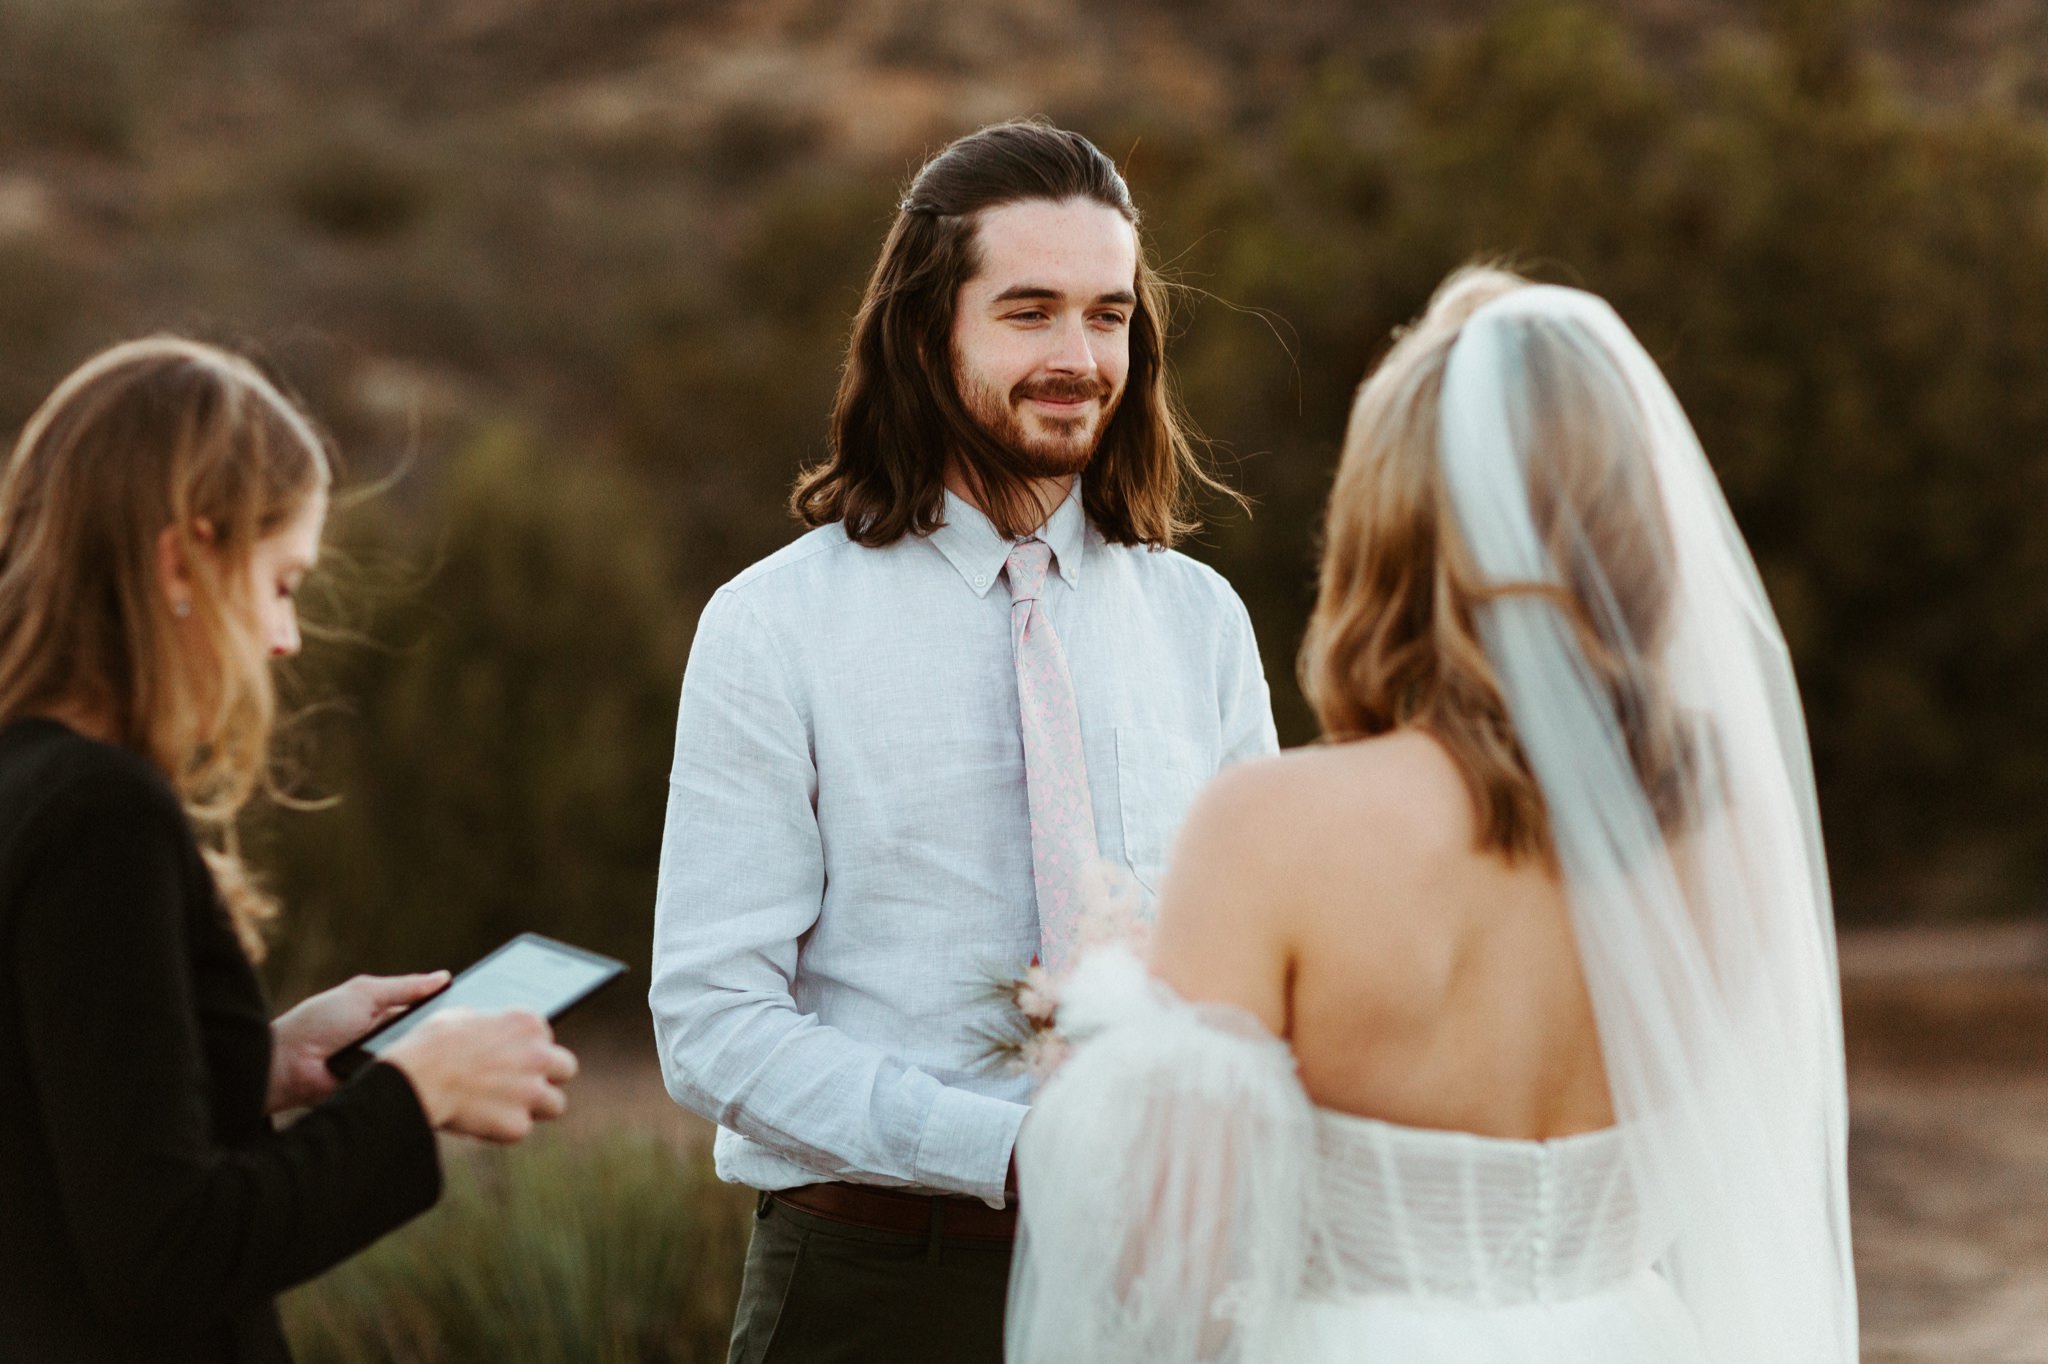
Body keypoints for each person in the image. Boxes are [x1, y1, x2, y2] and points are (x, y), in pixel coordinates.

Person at [1007, 267, 1860, 1363]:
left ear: (1385, 523)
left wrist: (1102, 1044)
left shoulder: (1272, 829)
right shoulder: (1729, 826)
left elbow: (1166, 1273)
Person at [649, 120, 1278, 1364]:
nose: (1077, 355)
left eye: (1107, 316)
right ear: (926, 333)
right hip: (872, 1285)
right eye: (1029, 311)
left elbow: (1259, 965)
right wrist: (1001, 1149)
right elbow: (711, 1020)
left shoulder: (1199, 621)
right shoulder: (772, 624)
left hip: (1163, 1289)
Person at [0, 338, 582, 1364]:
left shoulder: (25, 782)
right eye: (281, 582)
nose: (285, 637)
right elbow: (164, 1257)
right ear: (183, 557)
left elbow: (51, 1124)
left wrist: (253, 1061)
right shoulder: (103, 812)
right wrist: (417, 1093)